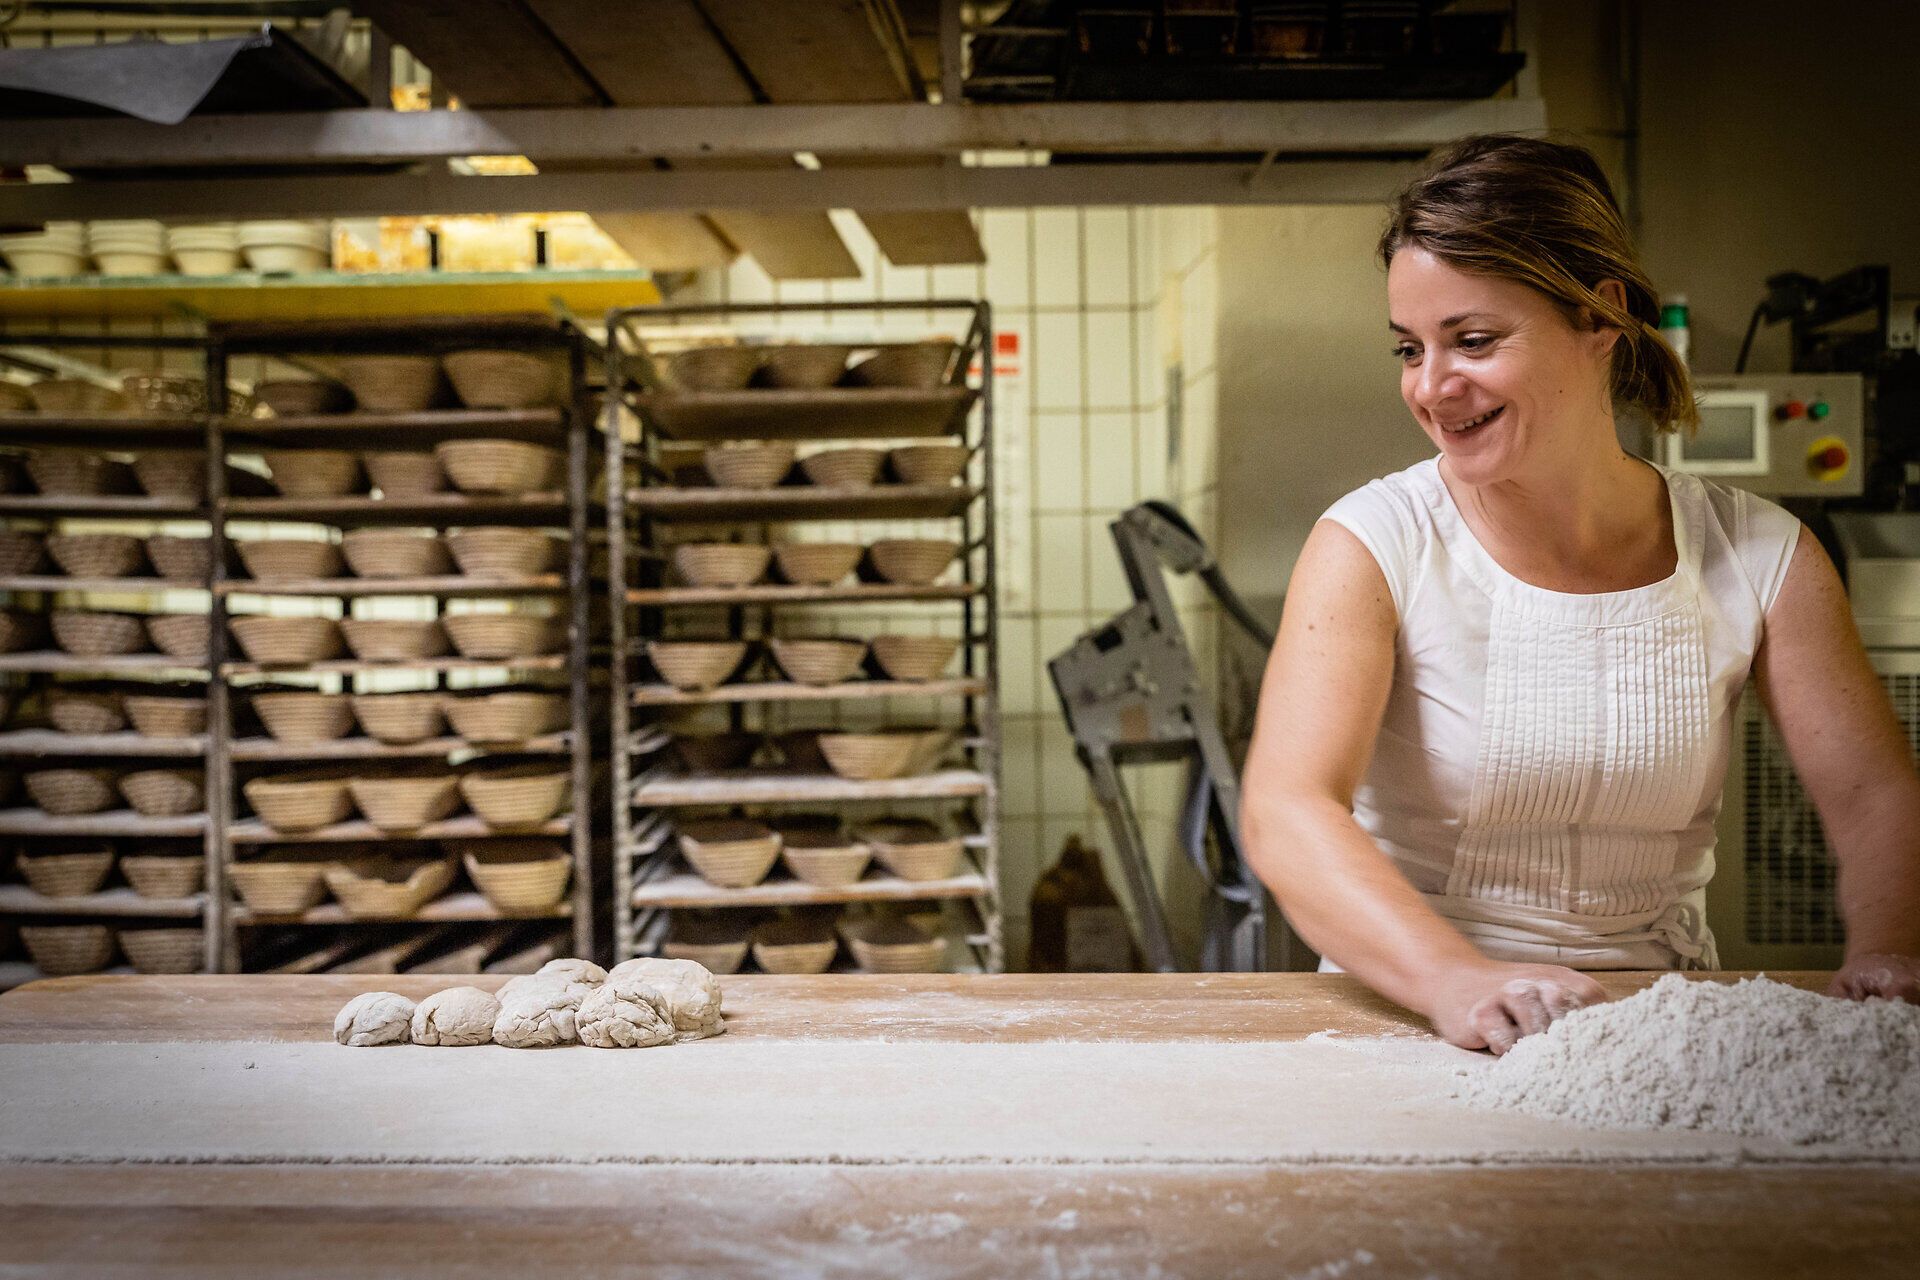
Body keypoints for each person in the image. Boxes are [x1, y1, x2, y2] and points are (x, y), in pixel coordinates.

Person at [1239, 134, 1920, 1055]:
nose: (1432, 387)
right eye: (1410, 348)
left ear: (1600, 317)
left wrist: (1892, 949)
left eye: (1472, 340)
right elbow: (1288, 808)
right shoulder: (1375, 543)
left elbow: (1875, 793)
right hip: (1412, 1022)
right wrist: (1456, 982)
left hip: (1658, 1034)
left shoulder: (1760, 552)